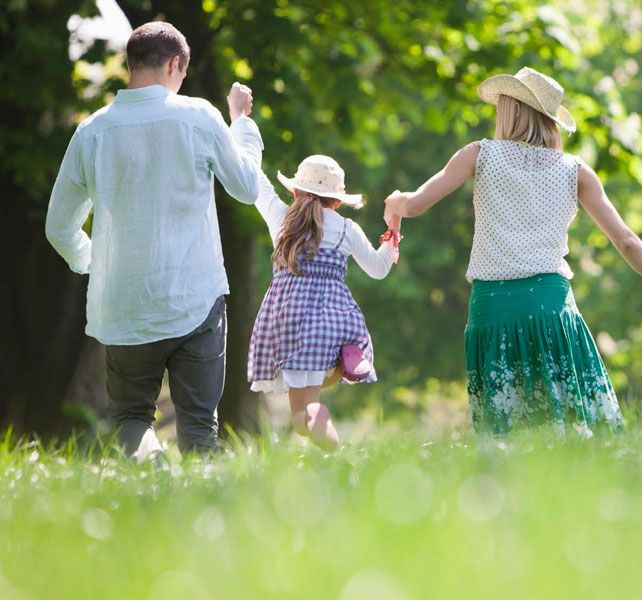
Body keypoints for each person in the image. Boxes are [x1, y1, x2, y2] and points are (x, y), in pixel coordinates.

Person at [384, 67, 642, 435]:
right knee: (569, 423)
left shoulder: (478, 154)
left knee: (507, 432)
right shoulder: (576, 171)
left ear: (511, 110)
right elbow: (625, 239)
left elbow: (413, 205)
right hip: (550, 307)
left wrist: (394, 203)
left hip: (493, 308)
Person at [45, 22, 265, 458]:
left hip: (123, 302)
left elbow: (58, 227)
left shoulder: (92, 130)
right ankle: (202, 515)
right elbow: (246, 186)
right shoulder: (199, 116)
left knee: (130, 419)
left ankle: (149, 483)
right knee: (201, 423)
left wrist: (94, 262)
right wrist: (242, 124)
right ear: (174, 64)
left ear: (130, 65)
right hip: (194, 297)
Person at [247, 155, 399, 448]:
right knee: (304, 418)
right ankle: (328, 414)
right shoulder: (346, 228)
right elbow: (378, 269)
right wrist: (392, 234)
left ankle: (332, 446)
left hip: (287, 324)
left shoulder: (282, 220)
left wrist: (241, 126)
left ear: (294, 191)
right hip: (329, 325)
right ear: (338, 201)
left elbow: (257, 183)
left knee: (301, 419)